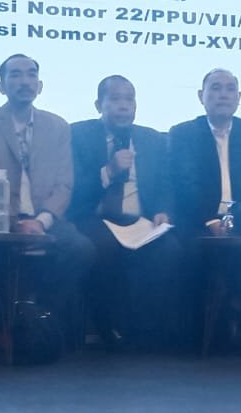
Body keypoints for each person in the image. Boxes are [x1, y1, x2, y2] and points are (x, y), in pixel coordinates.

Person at [0, 54, 93, 314]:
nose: (25, 81)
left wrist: (40, 222)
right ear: (1, 86)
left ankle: (40, 315)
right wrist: (15, 223)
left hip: (44, 219)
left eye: (31, 74)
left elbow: (64, 184)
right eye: (16, 74)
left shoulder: (58, 126)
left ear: (40, 85)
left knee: (82, 250)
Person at [68, 75, 184, 349]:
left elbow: (166, 183)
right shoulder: (79, 135)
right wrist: (109, 171)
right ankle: (106, 325)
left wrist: (163, 211)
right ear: (99, 105)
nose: (123, 106)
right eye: (115, 99)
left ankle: (145, 330)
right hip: (94, 216)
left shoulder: (151, 139)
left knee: (170, 250)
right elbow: (72, 188)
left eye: (129, 100)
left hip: (140, 220)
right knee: (101, 247)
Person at [167, 69, 241, 234]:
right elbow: (184, 186)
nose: (223, 95)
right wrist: (210, 221)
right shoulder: (183, 134)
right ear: (201, 96)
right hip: (197, 223)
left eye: (230, 89)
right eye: (216, 88)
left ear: (238, 98)